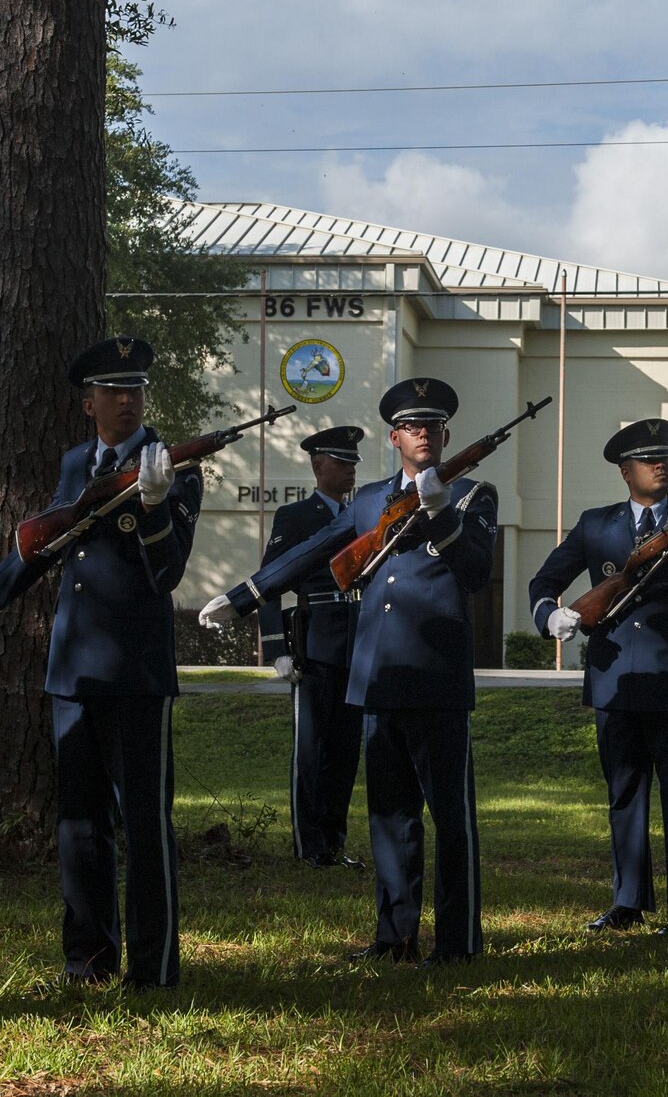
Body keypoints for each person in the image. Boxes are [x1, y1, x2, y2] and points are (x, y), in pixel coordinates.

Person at [201, 377, 495, 966]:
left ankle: (459, 943)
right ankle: (395, 937)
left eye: (432, 426)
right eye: (412, 427)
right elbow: (312, 552)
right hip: (378, 675)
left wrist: (441, 515)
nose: (423, 435)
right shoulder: (368, 502)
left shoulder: (470, 495)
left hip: (436, 677)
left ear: (445, 435)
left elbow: (476, 571)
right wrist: (246, 593)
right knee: (389, 818)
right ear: (395, 437)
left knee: (452, 820)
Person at [0, 335, 201, 988]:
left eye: (135, 389)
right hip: (74, 667)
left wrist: (155, 505)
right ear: (88, 402)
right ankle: (87, 959)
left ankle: (155, 965)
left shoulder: (174, 466)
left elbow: (166, 574)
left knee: (144, 823)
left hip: (137, 669)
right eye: (113, 390)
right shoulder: (77, 462)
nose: (126, 400)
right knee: (80, 825)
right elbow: (53, 542)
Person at [529, 418, 668, 935]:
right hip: (615, 675)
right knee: (624, 792)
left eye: (663, 455)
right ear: (625, 471)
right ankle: (628, 900)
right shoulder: (597, 524)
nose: (659, 464)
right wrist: (550, 614)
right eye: (646, 458)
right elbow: (545, 580)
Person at [258, 425, 369, 869]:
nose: (349, 472)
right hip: (315, 644)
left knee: (345, 750)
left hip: (356, 644)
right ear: (317, 464)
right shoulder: (295, 518)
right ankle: (310, 844)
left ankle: (335, 842)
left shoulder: (363, 514)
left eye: (353, 464)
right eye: (341, 463)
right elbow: (268, 583)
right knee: (312, 751)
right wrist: (276, 649)